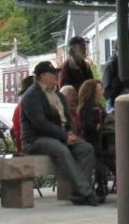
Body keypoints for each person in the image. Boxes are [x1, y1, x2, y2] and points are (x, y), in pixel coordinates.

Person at [19, 61, 103, 206]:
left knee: (86, 149)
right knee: (61, 150)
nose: (56, 77)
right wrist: (64, 136)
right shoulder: (31, 96)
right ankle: (87, 192)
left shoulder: (58, 95)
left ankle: (78, 194)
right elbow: (40, 123)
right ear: (43, 76)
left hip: (61, 136)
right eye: (53, 74)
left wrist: (70, 132)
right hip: (37, 139)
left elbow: (68, 117)